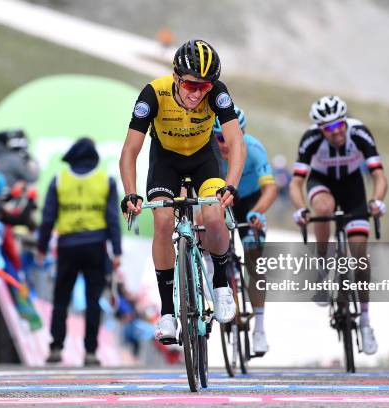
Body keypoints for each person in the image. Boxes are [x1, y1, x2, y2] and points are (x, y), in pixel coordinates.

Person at [119, 39, 246, 342]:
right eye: (191, 86)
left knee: (213, 216)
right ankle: (166, 313)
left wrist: (232, 184)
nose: (197, 94)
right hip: (166, 161)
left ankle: (221, 285)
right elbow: (130, 150)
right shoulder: (154, 93)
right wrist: (130, 192)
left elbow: (236, 142)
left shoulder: (217, 93)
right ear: (176, 76)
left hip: (205, 159)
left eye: (205, 87)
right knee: (162, 222)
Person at [290, 96, 388, 355]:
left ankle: (366, 322)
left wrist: (377, 201)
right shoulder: (310, 140)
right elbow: (296, 182)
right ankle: (322, 264)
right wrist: (300, 208)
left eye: (340, 125)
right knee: (322, 209)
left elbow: (379, 176)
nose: (337, 133)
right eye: (330, 129)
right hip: (322, 183)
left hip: (353, 187)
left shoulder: (360, 133)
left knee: (359, 258)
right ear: (320, 129)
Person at [38, 137, 122, 366]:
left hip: (67, 246)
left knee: (61, 299)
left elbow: (47, 218)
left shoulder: (59, 180)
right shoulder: (106, 180)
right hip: (95, 246)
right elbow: (113, 219)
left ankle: (56, 347)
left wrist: (41, 248)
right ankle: (91, 352)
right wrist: (117, 251)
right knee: (93, 300)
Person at [212, 106, 277, 354]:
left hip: (249, 201)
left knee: (253, 258)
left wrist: (258, 211)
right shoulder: (209, 153)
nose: (225, 144)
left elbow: (270, 189)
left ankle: (259, 328)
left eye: (231, 138)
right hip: (221, 202)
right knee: (213, 242)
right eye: (219, 138)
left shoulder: (254, 149)